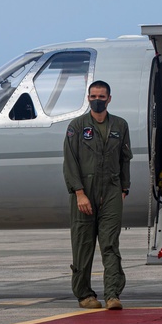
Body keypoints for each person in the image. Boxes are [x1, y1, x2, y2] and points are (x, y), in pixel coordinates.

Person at [62, 80, 132, 311]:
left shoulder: (120, 126)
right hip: (85, 191)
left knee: (110, 243)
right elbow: (70, 162)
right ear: (88, 98)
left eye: (101, 97)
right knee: (83, 244)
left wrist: (124, 188)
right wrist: (79, 193)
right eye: (93, 96)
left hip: (111, 190)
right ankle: (84, 295)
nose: (97, 100)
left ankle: (112, 294)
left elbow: (125, 159)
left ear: (109, 99)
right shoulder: (77, 126)